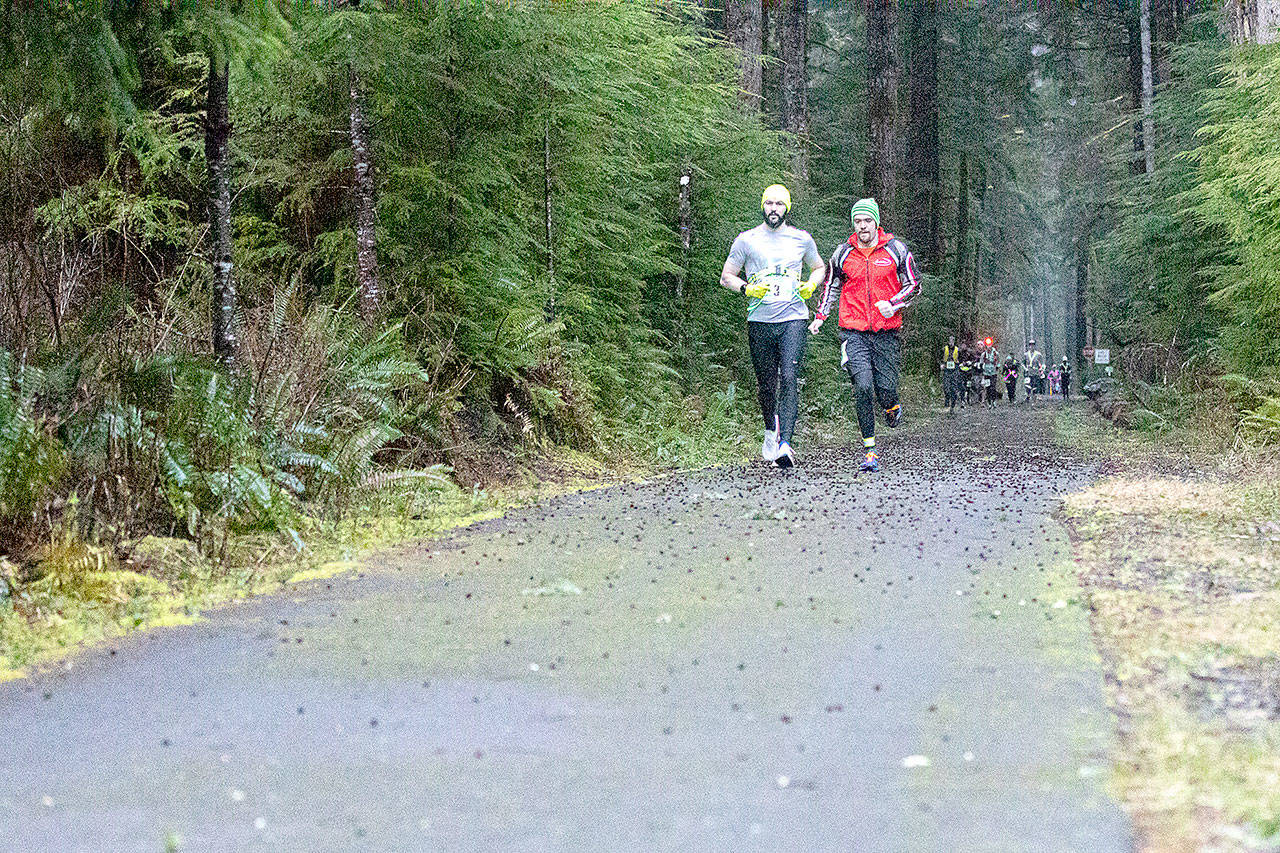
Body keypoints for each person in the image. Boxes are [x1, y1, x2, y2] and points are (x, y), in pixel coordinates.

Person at [810, 197, 920, 473]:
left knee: (886, 390)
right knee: (862, 386)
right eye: (857, 222)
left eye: (867, 221)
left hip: (886, 332)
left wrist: (893, 303)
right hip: (853, 331)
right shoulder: (843, 253)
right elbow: (831, 286)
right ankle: (869, 451)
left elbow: (914, 285)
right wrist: (821, 316)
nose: (862, 227)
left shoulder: (896, 250)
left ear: (876, 222)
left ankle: (892, 406)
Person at [721, 184, 825, 468]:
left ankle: (785, 444)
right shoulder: (747, 240)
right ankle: (770, 430)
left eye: (780, 204)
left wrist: (811, 285)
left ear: (787, 207)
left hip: (793, 317)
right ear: (763, 206)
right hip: (760, 320)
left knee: (789, 376)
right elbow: (726, 276)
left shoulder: (801, 239)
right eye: (769, 203)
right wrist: (746, 289)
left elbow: (819, 267)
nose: (774, 209)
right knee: (767, 384)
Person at [941, 335, 961, 413]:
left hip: (954, 370)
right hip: (946, 370)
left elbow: (962, 358)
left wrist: (961, 363)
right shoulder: (944, 349)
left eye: (952, 341)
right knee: (946, 387)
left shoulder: (958, 349)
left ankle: (952, 405)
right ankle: (947, 398)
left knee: (954, 388)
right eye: (950, 341)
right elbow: (939, 357)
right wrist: (941, 364)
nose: (951, 342)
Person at [1022, 339, 1044, 404]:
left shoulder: (1038, 354)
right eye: (1030, 345)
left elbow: (1042, 363)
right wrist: (1025, 368)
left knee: (1035, 386)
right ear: (1029, 346)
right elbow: (1022, 363)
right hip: (1028, 372)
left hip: (1035, 372)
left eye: (1033, 345)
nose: (1032, 346)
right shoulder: (1026, 354)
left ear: (1035, 346)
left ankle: (1034, 400)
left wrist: (1041, 369)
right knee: (1028, 385)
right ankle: (1028, 396)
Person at [979, 342, 1000, 407]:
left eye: (990, 346)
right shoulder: (983, 354)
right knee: (987, 388)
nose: (989, 347)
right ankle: (989, 402)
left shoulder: (996, 354)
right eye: (987, 346)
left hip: (993, 373)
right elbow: (981, 363)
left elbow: (998, 362)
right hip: (986, 373)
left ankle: (994, 401)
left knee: (993, 387)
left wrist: (997, 367)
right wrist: (983, 369)